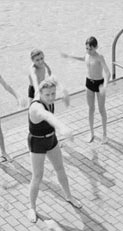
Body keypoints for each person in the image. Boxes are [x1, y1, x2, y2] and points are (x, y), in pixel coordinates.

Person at [26, 78, 82, 223]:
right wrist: (62, 127)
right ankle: (32, 207)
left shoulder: (49, 101)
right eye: (47, 95)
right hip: (37, 142)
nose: (51, 97)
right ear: (40, 93)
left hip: (51, 138)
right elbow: (48, 116)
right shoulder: (36, 108)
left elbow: (53, 80)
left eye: (53, 94)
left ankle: (68, 196)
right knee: (37, 176)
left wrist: (63, 88)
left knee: (60, 168)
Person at [61, 36, 111, 144]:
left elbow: (108, 73)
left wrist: (105, 86)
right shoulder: (87, 55)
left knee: (101, 109)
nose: (89, 51)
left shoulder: (99, 57)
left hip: (99, 84)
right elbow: (82, 58)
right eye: (87, 48)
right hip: (89, 83)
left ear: (96, 47)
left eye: (91, 49)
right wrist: (69, 56)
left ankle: (104, 134)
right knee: (91, 108)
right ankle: (92, 133)